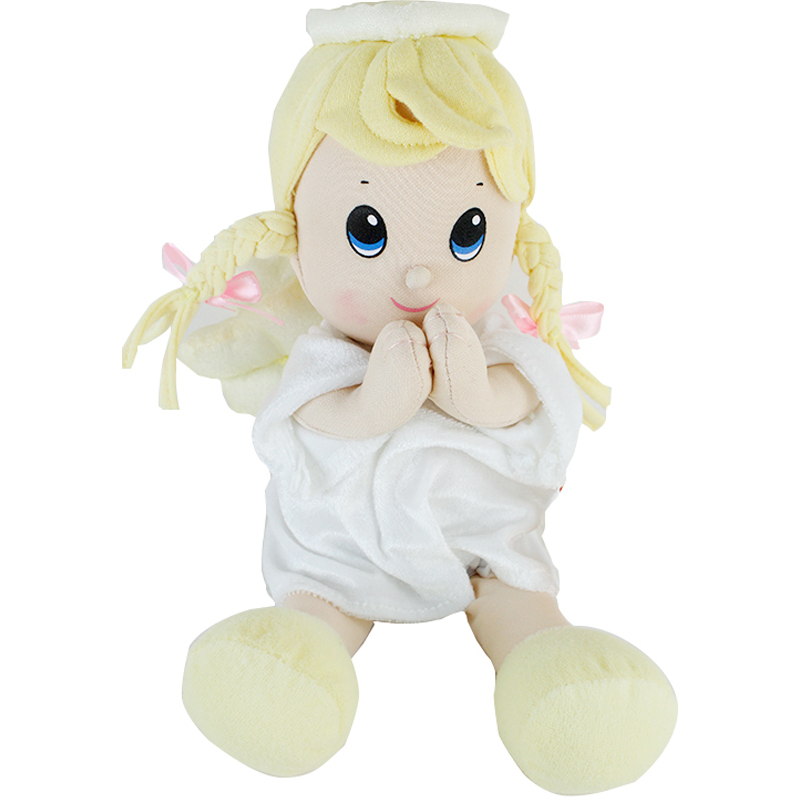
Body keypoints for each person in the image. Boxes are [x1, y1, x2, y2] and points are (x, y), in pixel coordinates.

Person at [123, 3, 676, 794]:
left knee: (519, 597)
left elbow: (533, 398)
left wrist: (476, 393)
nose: (419, 276)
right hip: (344, 549)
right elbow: (305, 416)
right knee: (319, 600)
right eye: (369, 231)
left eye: (466, 234)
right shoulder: (326, 354)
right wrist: (372, 406)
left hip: (482, 548)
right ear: (296, 234)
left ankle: (549, 671)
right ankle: (305, 650)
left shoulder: (498, 338)